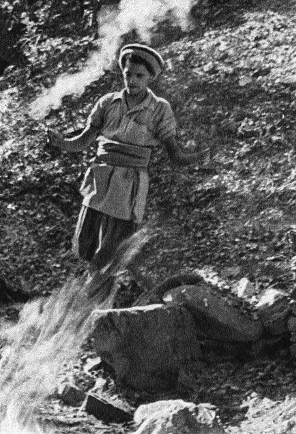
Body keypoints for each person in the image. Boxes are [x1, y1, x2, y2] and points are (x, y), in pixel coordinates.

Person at [47, 43, 209, 273]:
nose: (132, 80)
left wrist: (200, 158)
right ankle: (86, 290)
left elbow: (176, 154)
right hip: (100, 180)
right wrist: (60, 142)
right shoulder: (108, 102)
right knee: (84, 245)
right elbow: (83, 140)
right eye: (128, 74)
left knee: (111, 252)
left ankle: (103, 293)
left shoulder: (159, 109)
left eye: (139, 76)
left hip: (128, 186)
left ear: (150, 78)